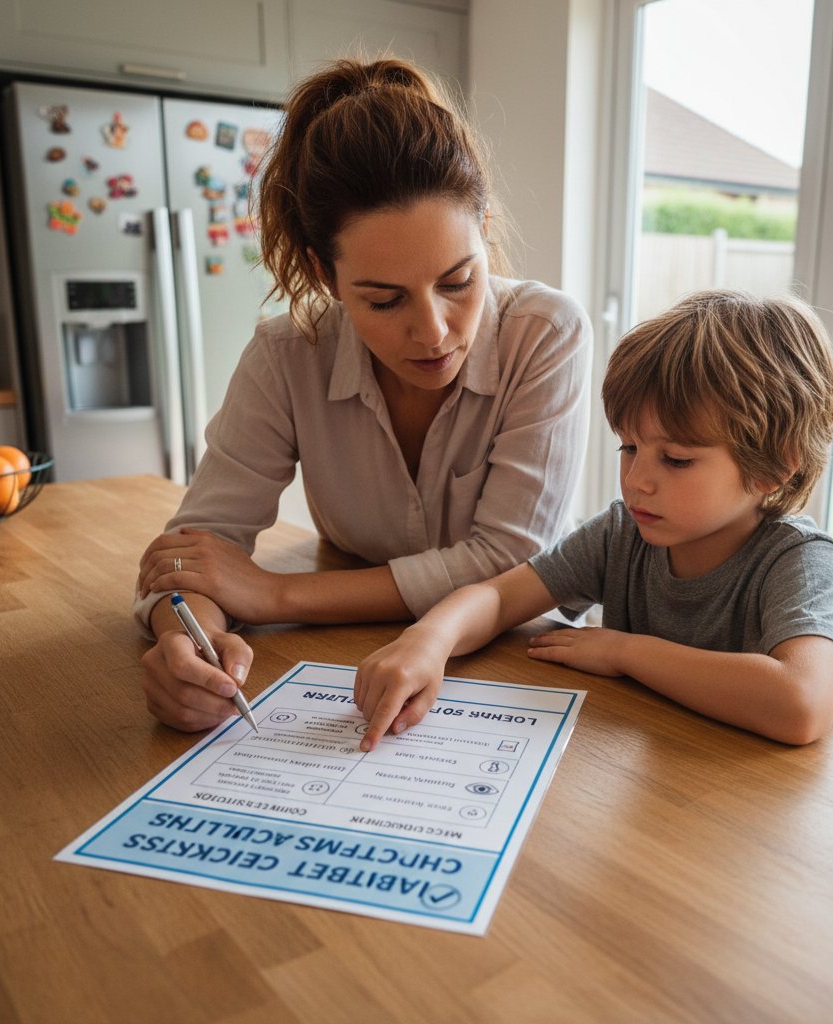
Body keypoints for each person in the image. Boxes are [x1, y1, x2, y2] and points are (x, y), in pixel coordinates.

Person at [135, 58, 592, 731]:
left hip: (514, 666)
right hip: (349, 655)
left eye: (459, 281)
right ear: (325, 274)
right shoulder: (286, 354)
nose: (434, 331)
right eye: (383, 299)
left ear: (485, 229)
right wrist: (186, 642)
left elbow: (508, 561)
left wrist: (273, 593)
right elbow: (197, 554)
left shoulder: (545, 334)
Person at [354, 290, 833, 749]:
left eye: (676, 459)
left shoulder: (799, 560)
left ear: (775, 467)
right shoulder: (622, 533)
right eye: (629, 447)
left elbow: (802, 704)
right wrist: (428, 640)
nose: (637, 480)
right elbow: (500, 595)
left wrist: (624, 652)